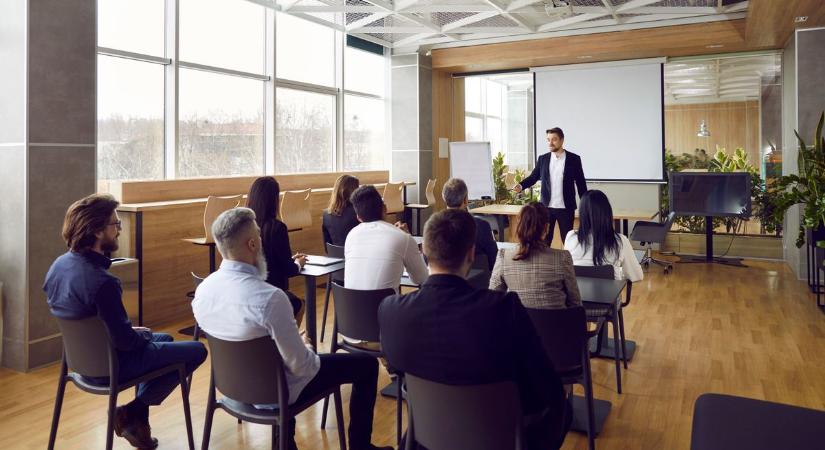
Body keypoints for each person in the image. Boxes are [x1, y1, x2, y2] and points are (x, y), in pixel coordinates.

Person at [192, 208, 392, 450]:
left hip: (231, 390)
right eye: (259, 236)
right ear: (253, 244)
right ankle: (360, 447)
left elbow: (239, 337)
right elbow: (303, 367)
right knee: (366, 365)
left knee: (280, 361)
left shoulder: (203, 291)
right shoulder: (270, 298)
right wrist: (306, 346)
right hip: (275, 394)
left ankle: (286, 444)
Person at [379, 209, 571, 450]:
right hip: (498, 437)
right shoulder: (504, 310)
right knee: (564, 408)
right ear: (471, 253)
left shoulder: (391, 311)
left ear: (424, 251)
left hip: (431, 433)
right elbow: (548, 386)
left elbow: (397, 370)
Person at [44, 194, 207, 449]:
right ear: (98, 231)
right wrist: (140, 334)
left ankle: (135, 423)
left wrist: (137, 334)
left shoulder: (58, 267)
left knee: (163, 338)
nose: (119, 230)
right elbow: (126, 341)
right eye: (115, 224)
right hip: (111, 367)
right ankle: (132, 410)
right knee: (197, 350)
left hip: (78, 365)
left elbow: (94, 326)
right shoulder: (103, 282)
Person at [489, 202, 582, 310]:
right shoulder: (562, 258)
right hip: (555, 326)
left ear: (519, 226)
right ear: (546, 228)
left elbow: (492, 300)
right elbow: (575, 304)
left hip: (518, 326)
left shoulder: (504, 257)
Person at [344, 185, 428, 292]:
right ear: (385, 208)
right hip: (385, 307)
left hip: (349, 307)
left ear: (358, 217)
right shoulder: (402, 237)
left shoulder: (351, 235)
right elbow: (421, 278)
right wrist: (409, 238)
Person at [513, 127, 587, 245]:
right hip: (545, 208)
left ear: (562, 140)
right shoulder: (543, 159)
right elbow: (534, 177)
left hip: (566, 208)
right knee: (544, 241)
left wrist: (586, 204)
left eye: (554, 139)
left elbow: (581, 183)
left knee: (568, 242)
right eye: (548, 140)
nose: (550, 143)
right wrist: (521, 185)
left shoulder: (574, 159)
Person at [246, 176, 305, 323]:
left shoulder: (244, 226)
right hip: (272, 294)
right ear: (274, 201)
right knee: (299, 303)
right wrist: (298, 263)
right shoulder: (277, 228)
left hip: (248, 294)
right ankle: (287, 343)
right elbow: (289, 270)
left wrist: (289, 259)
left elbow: (267, 258)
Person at [564, 190, 644, 282]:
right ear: (608, 212)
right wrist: (619, 273)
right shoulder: (620, 241)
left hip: (577, 296)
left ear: (582, 214)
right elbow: (637, 276)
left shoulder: (570, 237)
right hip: (609, 296)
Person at [441, 178, 497, 270]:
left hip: (444, 281)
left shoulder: (434, 226)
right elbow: (494, 260)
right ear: (466, 200)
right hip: (478, 282)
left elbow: (428, 260)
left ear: (444, 198)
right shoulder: (481, 226)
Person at [323, 174, 361, 246]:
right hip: (356, 255)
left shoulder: (326, 214)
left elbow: (327, 246)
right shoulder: (359, 212)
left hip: (335, 256)